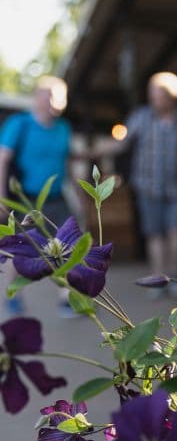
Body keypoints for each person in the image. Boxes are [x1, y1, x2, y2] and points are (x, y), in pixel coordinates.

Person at [94, 72, 177, 298]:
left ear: (173, 96)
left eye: (158, 94)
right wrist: (92, 152)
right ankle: (158, 279)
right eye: (152, 93)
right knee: (154, 233)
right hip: (148, 186)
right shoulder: (141, 116)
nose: (154, 98)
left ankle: (174, 276)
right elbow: (121, 144)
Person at [0, 76, 81, 317]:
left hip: (57, 197)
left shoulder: (64, 128)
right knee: (23, 248)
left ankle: (67, 299)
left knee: (68, 244)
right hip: (27, 198)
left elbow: (67, 163)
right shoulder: (20, 124)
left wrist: (80, 193)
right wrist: (1, 196)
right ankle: (12, 295)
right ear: (37, 98)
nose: (55, 101)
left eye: (60, 96)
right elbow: (3, 160)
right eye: (50, 96)